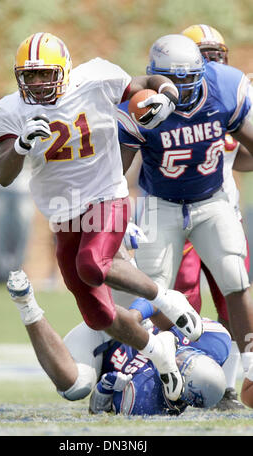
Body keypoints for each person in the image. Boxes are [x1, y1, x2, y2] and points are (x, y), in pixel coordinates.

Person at [0, 32, 203, 402]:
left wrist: (166, 95)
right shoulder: (10, 110)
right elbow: (3, 173)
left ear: (66, 70)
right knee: (98, 315)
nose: (38, 84)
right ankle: (158, 352)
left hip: (107, 193)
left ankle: (167, 299)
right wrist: (21, 145)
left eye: (45, 74)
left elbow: (148, 83)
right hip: (64, 214)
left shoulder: (96, 78)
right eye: (30, 76)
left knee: (93, 263)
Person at [117, 33, 253, 408]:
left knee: (235, 279)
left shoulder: (224, 87)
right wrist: (119, 214)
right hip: (161, 203)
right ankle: (162, 370)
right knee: (157, 293)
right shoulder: (140, 106)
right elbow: (116, 170)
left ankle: (251, 371)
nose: (180, 89)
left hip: (213, 200)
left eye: (188, 79)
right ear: (154, 78)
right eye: (170, 81)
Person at [7, 269, 228, 416]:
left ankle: (27, 305)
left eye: (182, 366)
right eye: (189, 355)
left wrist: (104, 390)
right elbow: (163, 302)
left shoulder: (147, 400)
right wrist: (133, 319)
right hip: (134, 320)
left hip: (99, 345)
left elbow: (98, 410)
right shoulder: (215, 341)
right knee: (123, 274)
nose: (181, 356)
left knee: (75, 387)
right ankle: (118, 241)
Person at [173, 24, 253, 410]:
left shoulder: (230, 97)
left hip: (223, 212)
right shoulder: (169, 99)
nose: (209, 62)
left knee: (233, 298)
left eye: (215, 54)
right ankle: (185, 379)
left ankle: (230, 386)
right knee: (183, 302)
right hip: (178, 216)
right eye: (200, 54)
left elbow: (246, 158)